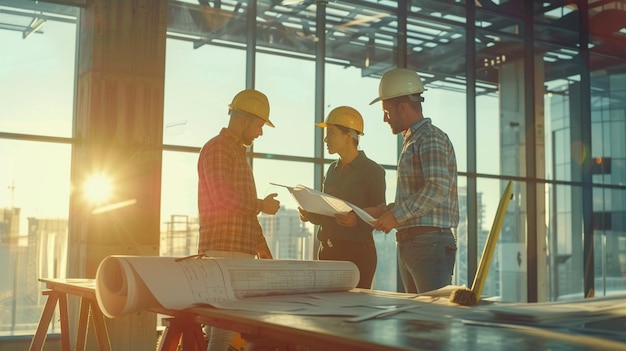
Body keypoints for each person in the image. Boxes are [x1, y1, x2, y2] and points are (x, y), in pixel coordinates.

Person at [197, 88, 280, 351]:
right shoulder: (218, 149)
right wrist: (261, 205)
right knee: (222, 330)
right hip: (223, 250)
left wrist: (260, 246)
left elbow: (243, 211)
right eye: (259, 125)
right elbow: (223, 197)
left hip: (236, 251)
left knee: (220, 329)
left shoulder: (235, 153)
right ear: (244, 119)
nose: (260, 133)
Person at [367, 68, 459, 294]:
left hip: (428, 243)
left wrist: (395, 216)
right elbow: (419, 195)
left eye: (386, 112)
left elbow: (437, 187)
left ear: (402, 108)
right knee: (418, 320)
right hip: (415, 242)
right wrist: (384, 212)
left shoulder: (429, 137)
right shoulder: (414, 140)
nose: (384, 119)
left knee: (432, 318)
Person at [298, 106, 385, 289]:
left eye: (330, 133)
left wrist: (357, 219)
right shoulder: (332, 170)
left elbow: (380, 212)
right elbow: (327, 213)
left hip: (358, 254)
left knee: (354, 310)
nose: (325, 139)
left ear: (348, 136)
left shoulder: (373, 171)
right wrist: (310, 213)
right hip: (328, 251)